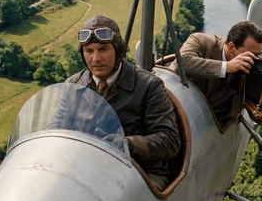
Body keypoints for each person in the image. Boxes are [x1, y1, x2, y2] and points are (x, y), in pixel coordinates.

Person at [66, 15, 181, 191]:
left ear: (118, 50)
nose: (95, 58)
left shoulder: (149, 86)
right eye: (89, 51)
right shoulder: (73, 86)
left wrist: (127, 144)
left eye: (103, 49)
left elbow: (170, 141)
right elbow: (56, 131)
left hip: (141, 172)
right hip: (88, 170)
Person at [176, 21, 262, 127]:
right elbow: (182, 62)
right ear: (231, 47)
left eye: (257, 55)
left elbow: (257, 117)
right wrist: (226, 67)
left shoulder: (250, 69)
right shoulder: (201, 41)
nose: (254, 60)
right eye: (249, 55)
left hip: (214, 128)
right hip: (181, 111)